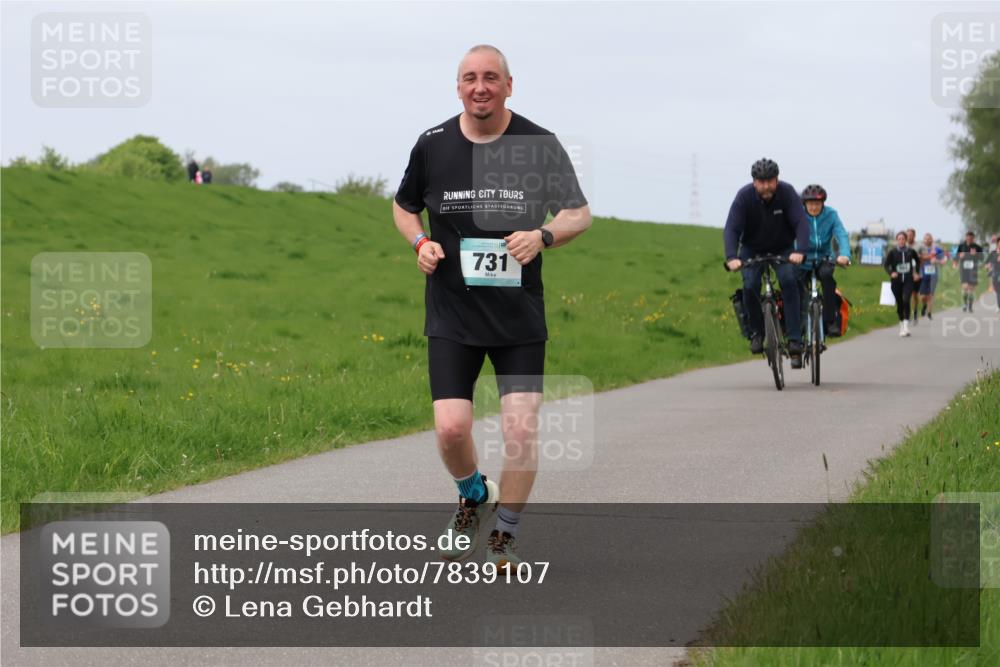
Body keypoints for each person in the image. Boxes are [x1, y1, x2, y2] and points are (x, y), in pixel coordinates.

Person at [392, 45, 591, 570]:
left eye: (490, 78)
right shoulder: (432, 145)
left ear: (508, 84)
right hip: (453, 312)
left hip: (517, 317)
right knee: (451, 429)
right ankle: (473, 493)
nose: (479, 86)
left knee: (521, 430)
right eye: (469, 78)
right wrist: (420, 244)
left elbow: (579, 213)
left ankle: (505, 533)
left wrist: (544, 235)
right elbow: (404, 205)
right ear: (457, 87)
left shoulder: (538, 144)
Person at [724, 158, 808, 366]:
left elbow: (800, 222)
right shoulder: (744, 197)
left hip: (783, 248)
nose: (766, 186)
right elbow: (732, 228)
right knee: (750, 285)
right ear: (754, 182)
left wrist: (800, 250)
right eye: (761, 182)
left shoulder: (787, 193)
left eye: (770, 181)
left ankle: (795, 339)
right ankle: (757, 333)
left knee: (789, 281)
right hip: (752, 248)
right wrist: (731, 257)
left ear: (776, 180)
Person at [795, 184, 850, 338]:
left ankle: (830, 321)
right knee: (794, 283)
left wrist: (844, 255)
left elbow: (842, 234)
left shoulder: (831, 215)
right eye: (810, 203)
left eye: (817, 204)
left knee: (827, 278)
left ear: (823, 204)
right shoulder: (797, 215)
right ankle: (797, 325)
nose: (813, 207)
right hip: (802, 258)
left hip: (823, 258)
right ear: (804, 203)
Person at [884, 231, 919, 336]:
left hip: (908, 280)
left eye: (903, 239)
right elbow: (886, 265)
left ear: (906, 240)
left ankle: (906, 326)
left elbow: (918, 261)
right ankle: (901, 325)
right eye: (899, 239)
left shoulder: (911, 251)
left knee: (906, 300)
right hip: (896, 281)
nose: (901, 241)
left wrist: (916, 272)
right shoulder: (892, 252)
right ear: (897, 240)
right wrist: (892, 273)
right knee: (900, 303)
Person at [954, 231, 984, 312]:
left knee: (971, 289)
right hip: (963, 270)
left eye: (971, 238)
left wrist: (976, 255)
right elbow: (956, 257)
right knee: (964, 289)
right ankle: (964, 304)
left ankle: (970, 306)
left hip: (973, 270)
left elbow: (982, 258)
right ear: (966, 237)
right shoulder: (961, 246)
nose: (969, 239)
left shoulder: (977, 247)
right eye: (968, 238)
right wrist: (959, 258)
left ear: (973, 238)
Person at [917, 233, 945, 320]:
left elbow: (943, 261)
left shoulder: (936, 249)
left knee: (931, 294)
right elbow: (916, 258)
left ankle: (929, 313)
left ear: (932, 239)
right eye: (926, 239)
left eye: (929, 239)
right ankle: (924, 305)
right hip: (923, 273)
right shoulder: (920, 248)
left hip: (933, 274)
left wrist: (936, 261)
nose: (928, 240)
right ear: (923, 240)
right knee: (922, 296)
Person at [906, 228, 920, 325]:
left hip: (915, 273)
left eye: (911, 235)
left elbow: (920, 259)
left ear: (914, 236)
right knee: (907, 295)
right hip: (906, 273)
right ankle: (908, 314)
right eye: (908, 235)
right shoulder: (903, 245)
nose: (909, 237)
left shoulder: (918, 246)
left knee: (915, 295)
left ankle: (915, 313)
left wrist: (917, 273)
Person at [988, 237, 1000, 310]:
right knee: (997, 290)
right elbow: (990, 262)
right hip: (996, 273)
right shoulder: (993, 252)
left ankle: (998, 306)